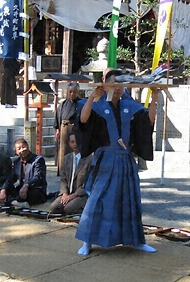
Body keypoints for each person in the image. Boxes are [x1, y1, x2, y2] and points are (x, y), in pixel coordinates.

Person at [75, 69, 158, 255]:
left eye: (121, 85)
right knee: (97, 201)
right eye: (114, 84)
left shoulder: (130, 106)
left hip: (126, 160)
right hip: (106, 159)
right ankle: (87, 241)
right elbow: (83, 121)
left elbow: (148, 124)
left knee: (130, 200)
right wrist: (91, 99)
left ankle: (136, 240)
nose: (118, 88)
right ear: (105, 84)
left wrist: (155, 98)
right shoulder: (97, 105)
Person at [0, 138, 47, 208]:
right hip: (21, 189)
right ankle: (15, 202)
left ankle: (13, 201)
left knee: (29, 194)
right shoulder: (17, 162)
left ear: (28, 146)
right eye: (19, 149)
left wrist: (26, 185)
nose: (22, 150)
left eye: (23, 147)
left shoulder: (38, 160)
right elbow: (11, 178)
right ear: (16, 152)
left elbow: (38, 176)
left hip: (35, 189)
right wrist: (3, 189)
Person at [49, 132, 93, 215]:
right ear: (69, 144)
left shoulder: (89, 159)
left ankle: (85, 209)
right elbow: (63, 179)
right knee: (53, 207)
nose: (75, 144)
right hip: (68, 193)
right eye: (72, 142)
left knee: (69, 208)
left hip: (82, 195)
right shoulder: (67, 158)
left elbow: (89, 183)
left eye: (77, 141)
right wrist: (65, 193)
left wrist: (74, 195)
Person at [54, 82, 82, 175]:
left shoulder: (81, 103)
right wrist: (57, 129)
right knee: (63, 150)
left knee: (75, 148)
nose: (72, 94)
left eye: (74, 92)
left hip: (76, 127)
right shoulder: (62, 104)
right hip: (64, 128)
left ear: (78, 92)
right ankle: (62, 171)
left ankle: (75, 170)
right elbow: (58, 117)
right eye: (70, 92)